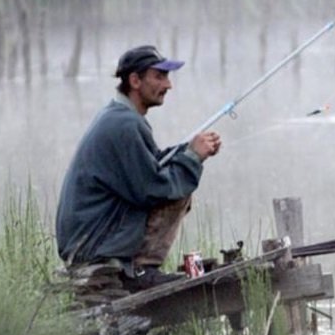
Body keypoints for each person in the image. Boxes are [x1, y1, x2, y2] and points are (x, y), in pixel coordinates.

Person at [55, 44, 222, 287]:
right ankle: (141, 270)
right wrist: (192, 159)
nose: (168, 85)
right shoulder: (125, 124)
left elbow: (149, 165)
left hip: (86, 240)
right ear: (135, 80)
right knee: (177, 191)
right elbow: (152, 189)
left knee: (177, 176)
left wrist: (187, 151)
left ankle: (138, 267)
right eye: (159, 76)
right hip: (91, 245)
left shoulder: (118, 116)